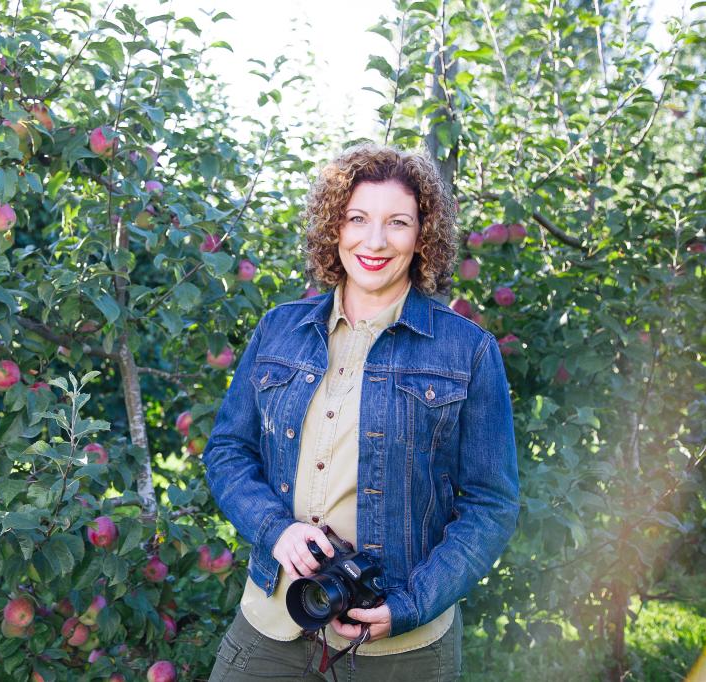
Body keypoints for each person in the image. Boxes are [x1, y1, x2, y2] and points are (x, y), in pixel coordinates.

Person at [202, 143, 520, 681]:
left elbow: (491, 505)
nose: (374, 241)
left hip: (401, 648)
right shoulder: (279, 329)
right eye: (357, 218)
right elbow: (228, 451)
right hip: (274, 621)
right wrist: (275, 530)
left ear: (423, 235)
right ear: (334, 227)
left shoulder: (467, 351)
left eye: (398, 222)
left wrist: (411, 605)